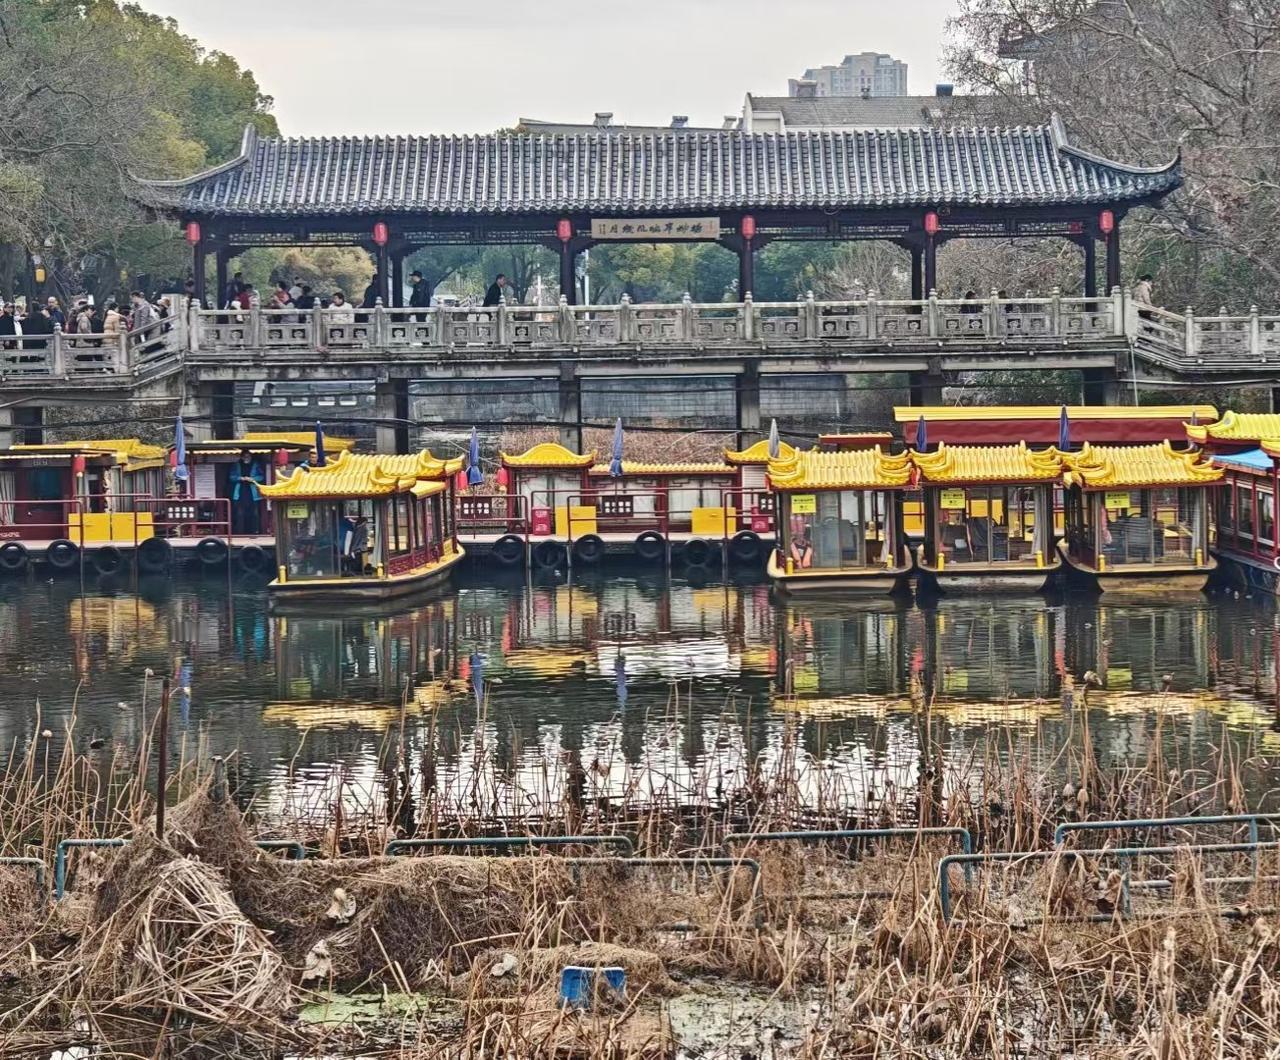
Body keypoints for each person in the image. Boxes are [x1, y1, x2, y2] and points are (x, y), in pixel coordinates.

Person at [228, 448, 265, 535]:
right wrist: (240, 478)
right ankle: (240, 533)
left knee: (254, 513)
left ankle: (255, 531)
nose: (246, 458)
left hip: (253, 493)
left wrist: (253, 479)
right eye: (244, 456)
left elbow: (261, 476)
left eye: (248, 456)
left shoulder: (256, 464)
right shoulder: (236, 465)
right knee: (239, 513)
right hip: (240, 492)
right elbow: (231, 477)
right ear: (241, 457)